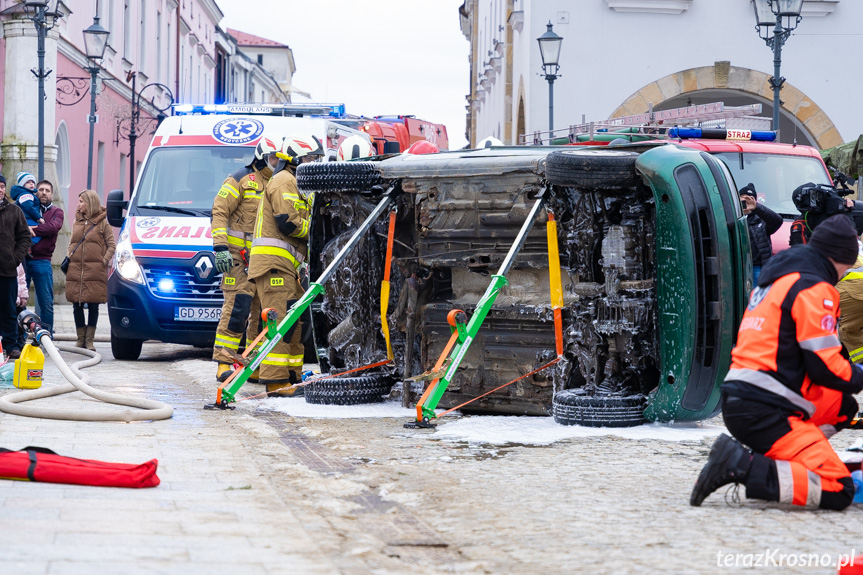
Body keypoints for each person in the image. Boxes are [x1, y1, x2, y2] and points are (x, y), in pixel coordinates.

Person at [691, 215, 863, 510]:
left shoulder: (780, 280)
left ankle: (792, 456)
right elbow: (825, 368)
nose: (846, 273)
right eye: (848, 266)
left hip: (747, 397)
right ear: (838, 258)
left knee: (843, 406)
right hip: (765, 410)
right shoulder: (814, 288)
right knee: (838, 488)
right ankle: (743, 466)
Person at [246, 134, 323, 396]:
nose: (316, 163)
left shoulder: (296, 182)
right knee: (279, 322)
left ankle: (291, 375)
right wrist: (317, 232)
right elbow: (288, 222)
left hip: (287, 267)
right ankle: (275, 381)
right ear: (298, 159)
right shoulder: (284, 181)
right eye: (312, 158)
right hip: (274, 265)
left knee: (294, 321)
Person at [211, 135, 281, 380]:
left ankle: (252, 365)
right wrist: (220, 247)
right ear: (262, 157)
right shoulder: (240, 179)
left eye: (279, 158)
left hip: (263, 261)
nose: (275, 162)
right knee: (236, 309)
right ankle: (224, 361)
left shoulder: (279, 184)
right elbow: (219, 211)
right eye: (272, 157)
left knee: (261, 313)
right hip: (238, 259)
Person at [65, 190, 116, 351]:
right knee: (76, 304)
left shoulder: (103, 223)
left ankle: (90, 340)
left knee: (93, 305)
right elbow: (72, 242)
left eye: (81, 201)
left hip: (95, 270)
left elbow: (112, 245)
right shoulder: (76, 221)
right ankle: (81, 339)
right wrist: (69, 256)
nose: (79, 204)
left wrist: (103, 261)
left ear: (90, 202)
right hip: (76, 269)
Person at [24, 180, 64, 336]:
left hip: (43, 261)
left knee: (46, 303)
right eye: (41, 189)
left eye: (47, 190)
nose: (44, 192)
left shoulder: (57, 212)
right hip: (24, 260)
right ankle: (18, 338)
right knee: (19, 301)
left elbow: (53, 227)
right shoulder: (28, 209)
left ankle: (47, 337)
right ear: (36, 192)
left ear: (52, 194)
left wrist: (30, 229)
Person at [0, 175, 32, 359]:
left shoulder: (15, 211)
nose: (0, 190)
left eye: (3, 186)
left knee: (9, 311)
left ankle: (11, 346)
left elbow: (24, 238)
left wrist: (15, 258)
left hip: (8, 271)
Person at [739, 183, 783, 284]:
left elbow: (777, 221)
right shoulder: (733, 217)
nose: (746, 202)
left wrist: (756, 207)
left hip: (758, 267)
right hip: (739, 267)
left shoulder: (761, 220)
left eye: (750, 198)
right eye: (742, 198)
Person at [9, 172, 44, 243]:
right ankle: (28, 247)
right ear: (22, 185)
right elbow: (29, 207)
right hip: (27, 219)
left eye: (33, 182)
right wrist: (39, 217)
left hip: (26, 219)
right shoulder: (26, 195)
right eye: (28, 182)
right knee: (36, 233)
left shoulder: (28, 194)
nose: (31, 184)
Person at [15, 264, 28, 350]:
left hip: (16, 300)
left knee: (19, 321)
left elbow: (21, 280)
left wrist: (23, 296)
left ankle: (20, 340)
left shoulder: (17, 263)